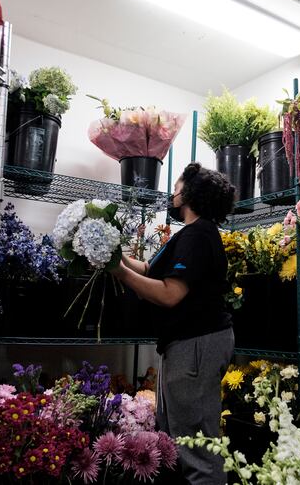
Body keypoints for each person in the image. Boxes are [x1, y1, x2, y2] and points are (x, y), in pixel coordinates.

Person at [112, 162, 235, 484]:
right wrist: (114, 252)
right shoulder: (191, 234)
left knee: (195, 443)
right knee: (177, 435)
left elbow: (170, 294)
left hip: (197, 343)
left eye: (177, 188)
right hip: (187, 343)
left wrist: (118, 272)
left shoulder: (198, 236)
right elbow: (151, 270)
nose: (172, 194)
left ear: (189, 194)